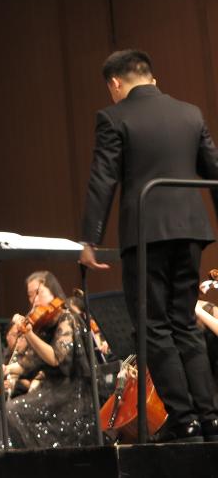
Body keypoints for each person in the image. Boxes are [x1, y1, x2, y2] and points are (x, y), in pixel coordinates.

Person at [80, 49, 218, 442]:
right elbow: (214, 170)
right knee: (184, 323)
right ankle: (209, 416)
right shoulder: (190, 113)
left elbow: (103, 179)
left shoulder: (114, 117)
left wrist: (90, 238)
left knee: (153, 326)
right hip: (191, 230)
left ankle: (183, 417)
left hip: (146, 232)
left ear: (115, 84)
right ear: (151, 77)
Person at [1, 271, 96, 449]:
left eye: (38, 293)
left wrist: (29, 334)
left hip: (71, 391)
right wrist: (7, 369)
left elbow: (55, 358)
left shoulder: (67, 318)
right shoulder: (44, 324)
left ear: (53, 291)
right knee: (5, 414)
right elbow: (29, 362)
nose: (34, 300)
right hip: (50, 390)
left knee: (12, 412)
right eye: (30, 296)